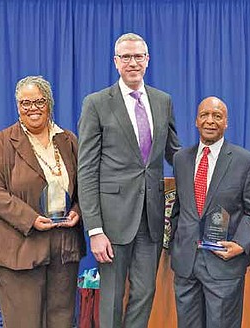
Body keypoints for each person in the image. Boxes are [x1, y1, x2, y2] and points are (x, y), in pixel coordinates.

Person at [77, 32, 181, 328]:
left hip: (151, 218)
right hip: (111, 223)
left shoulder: (163, 101)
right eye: (126, 57)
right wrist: (94, 229)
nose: (132, 62)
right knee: (111, 296)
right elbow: (86, 169)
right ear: (116, 62)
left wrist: (212, 162)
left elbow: (174, 152)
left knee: (145, 292)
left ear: (147, 60)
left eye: (138, 56)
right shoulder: (96, 103)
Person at [0, 76, 86, 328]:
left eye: (39, 101)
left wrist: (78, 210)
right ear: (17, 107)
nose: (32, 108)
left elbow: (85, 185)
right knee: (23, 322)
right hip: (19, 248)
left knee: (61, 320)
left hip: (63, 246)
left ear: (49, 104)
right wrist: (30, 219)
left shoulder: (67, 140)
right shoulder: (2, 142)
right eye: (25, 103)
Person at [169, 97, 250, 328]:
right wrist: (175, 245)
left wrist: (241, 245)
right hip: (186, 264)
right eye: (205, 115)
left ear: (226, 123)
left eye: (217, 116)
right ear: (196, 121)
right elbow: (179, 208)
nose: (210, 121)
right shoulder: (180, 159)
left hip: (224, 264)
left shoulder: (246, 161)